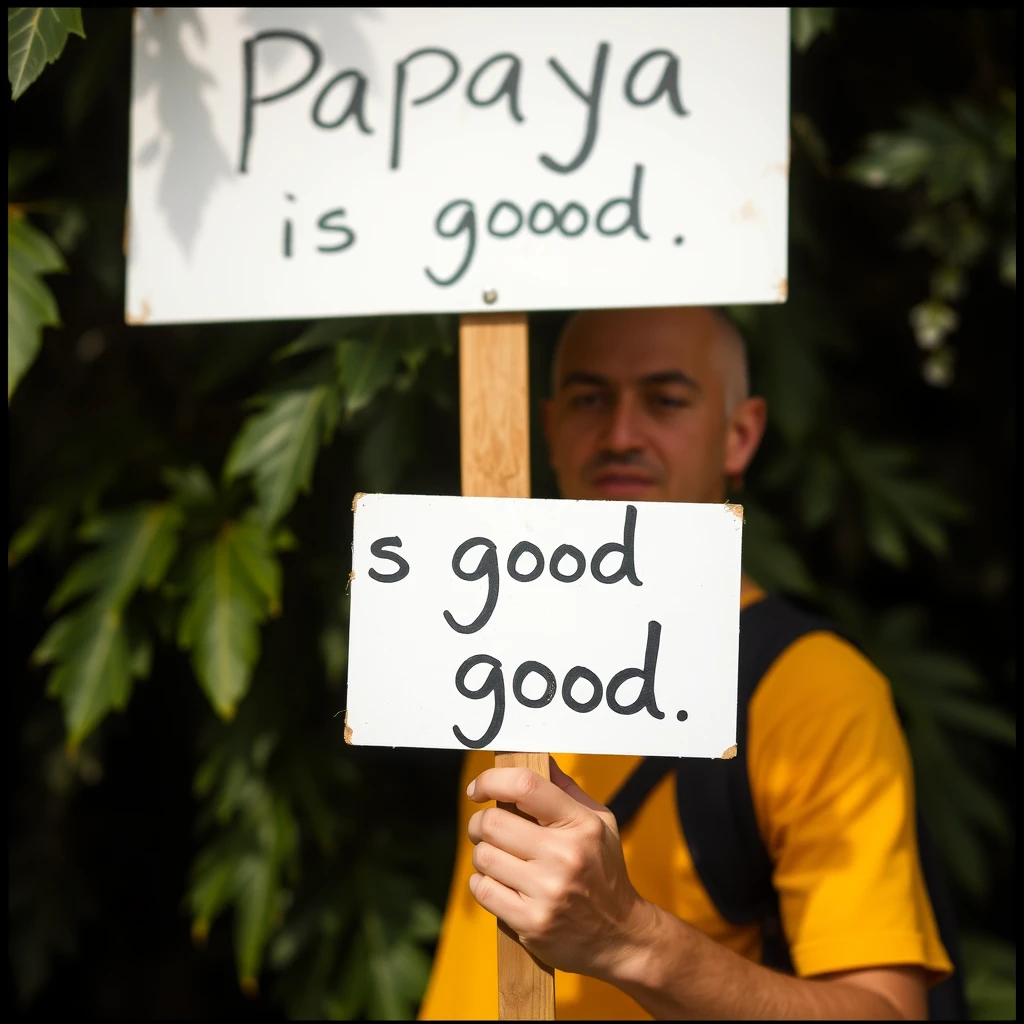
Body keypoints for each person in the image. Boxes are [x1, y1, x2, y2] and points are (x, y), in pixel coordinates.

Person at [418, 306, 953, 1020]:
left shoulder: (813, 687)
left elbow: (890, 1012)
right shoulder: (500, 648)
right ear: (547, 428)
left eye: (666, 400)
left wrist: (628, 939)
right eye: (589, 399)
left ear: (741, 433)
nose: (620, 435)